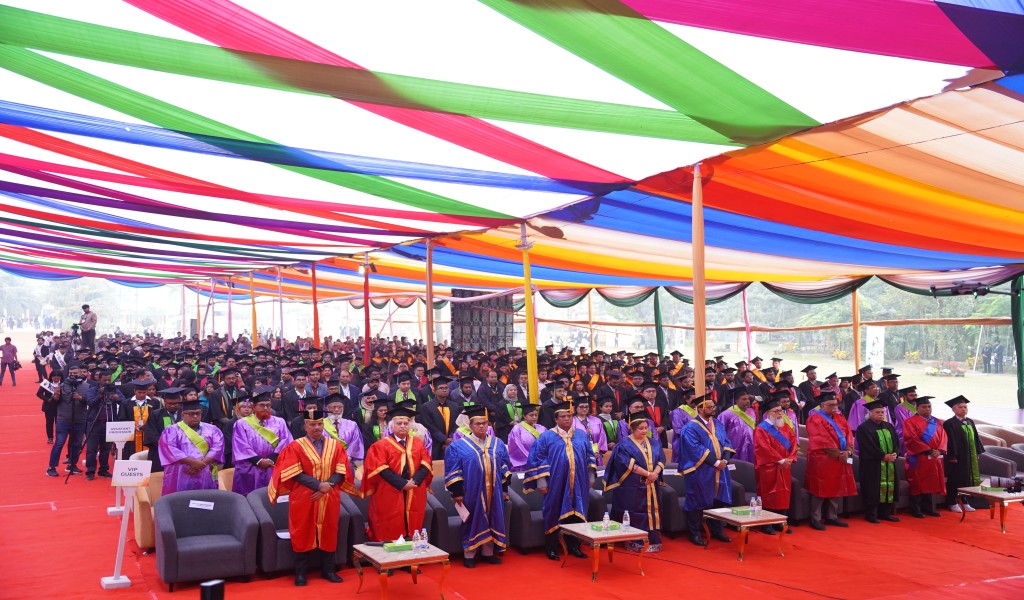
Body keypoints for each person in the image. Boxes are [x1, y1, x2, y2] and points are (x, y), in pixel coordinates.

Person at [269, 407, 353, 586]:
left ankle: (329, 570)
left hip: (329, 495)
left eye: (319, 424)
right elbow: (294, 473)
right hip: (304, 495)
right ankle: (300, 573)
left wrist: (327, 486)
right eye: (313, 424)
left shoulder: (335, 445)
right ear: (305, 426)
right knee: (302, 531)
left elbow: (341, 470)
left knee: (329, 530)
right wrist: (318, 485)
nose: (317, 428)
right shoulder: (295, 446)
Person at [524, 399, 594, 561]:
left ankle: (574, 546)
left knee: (576, 513)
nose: (566, 419)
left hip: (579, 482)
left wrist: (591, 477)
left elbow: (589, 455)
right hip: (555, 483)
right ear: (556, 419)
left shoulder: (581, 435)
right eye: (562, 416)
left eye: (569, 416)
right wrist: (542, 482)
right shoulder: (546, 437)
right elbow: (537, 459)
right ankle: (551, 548)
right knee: (553, 512)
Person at [444, 403, 512, 568]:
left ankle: (488, 553)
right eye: (477, 424)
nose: (482, 426)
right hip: (471, 492)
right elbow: (453, 470)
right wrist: (457, 493)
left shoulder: (497, 443)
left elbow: (504, 467)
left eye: (484, 423)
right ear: (470, 425)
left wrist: (504, 490)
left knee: (493, 519)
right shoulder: (458, 446)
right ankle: (469, 554)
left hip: (495, 491)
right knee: (472, 521)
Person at [361, 402, 433, 541]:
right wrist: (402, 484)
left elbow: (426, 463)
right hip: (390, 489)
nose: (403, 426)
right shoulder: (381, 445)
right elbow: (381, 468)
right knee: (391, 521)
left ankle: (411, 543)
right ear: (392, 426)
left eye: (406, 423)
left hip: (414, 489)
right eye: (399, 423)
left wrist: (414, 481)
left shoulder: (417, 442)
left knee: (413, 520)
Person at [604, 413, 666, 552]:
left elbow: (661, 460)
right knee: (635, 512)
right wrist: (648, 474)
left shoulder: (654, 442)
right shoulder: (624, 445)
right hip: (632, 486)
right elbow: (628, 464)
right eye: (640, 428)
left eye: (645, 428)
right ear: (632, 428)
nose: (644, 431)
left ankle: (653, 539)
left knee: (652, 512)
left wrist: (655, 474)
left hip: (651, 484)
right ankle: (633, 540)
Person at [679, 394, 734, 547]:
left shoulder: (718, 423)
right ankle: (694, 533)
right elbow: (695, 449)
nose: (713, 409)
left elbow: (727, 443)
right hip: (700, 470)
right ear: (699, 409)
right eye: (709, 407)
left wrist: (725, 460)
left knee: (719, 500)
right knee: (697, 501)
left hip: (720, 470)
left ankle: (717, 530)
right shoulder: (690, 428)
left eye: (713, 406)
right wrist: (716, 462)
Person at [803, 391, 856, 530]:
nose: (834, 407)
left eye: (836, 404)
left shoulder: (840, 417)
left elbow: (849, 435)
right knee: (819, 489)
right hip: (822, 459)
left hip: (840, 458)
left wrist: (848, 451)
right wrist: (839, 454)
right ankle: (815, 519)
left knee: (836, 486)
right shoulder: (814, 419)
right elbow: (822, 440)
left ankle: (832, 517)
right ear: (822, 406)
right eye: (830, 405)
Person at [231, 391, 293, 496]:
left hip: (273, 465)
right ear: (254, 407)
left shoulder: (280, 422)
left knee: (274, 497)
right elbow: (241, 445)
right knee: (250, 496)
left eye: (268, 405)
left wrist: (271, 459)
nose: (265, 408)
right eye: (262, 405)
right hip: (251, 467)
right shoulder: (241, 424)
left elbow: (286, 441)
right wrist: (258, 461)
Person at [158, 400, 224, 495]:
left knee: (205, 499)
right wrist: (193, 463)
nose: (195, 416)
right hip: (181, 473)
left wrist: (201, 464)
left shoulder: (212, 429)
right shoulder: (171, 430)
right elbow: (169, 449)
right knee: (180, 500)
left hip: (205, 471)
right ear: (182, 414)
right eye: (191, 414)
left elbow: (218, 448)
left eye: (198, 413)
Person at [753, 396, 797, 534]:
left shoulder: (785, 427)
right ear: (768, 413)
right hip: (769, 467)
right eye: (776, 411)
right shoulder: (761, 429)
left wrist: (790, 458)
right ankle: (766, 524)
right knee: (768, 495)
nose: (779, 413)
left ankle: (780, 522)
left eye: (780, 411)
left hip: (785, 467)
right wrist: (781, 460)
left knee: (783, 494)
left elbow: (794, 443)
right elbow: (763, 448)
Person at [855, 399, 901, 523]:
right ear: (870, 413)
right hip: (872, 464)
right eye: (877, 412)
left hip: (889, 463)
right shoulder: (863, 428)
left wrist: (895, 453)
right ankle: (871, 514)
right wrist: (882, 456)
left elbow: (896, 442)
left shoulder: (889, 426)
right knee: (872, 488)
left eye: (882, 412)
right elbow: (867, 446)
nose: (880, 414)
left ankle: (885, 513)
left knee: (889, 486)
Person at [901, 396, 945, 518]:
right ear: (917, 408)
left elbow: (943, 437)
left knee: (931, 482)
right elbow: (911, 439)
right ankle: (915, 509)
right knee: (918, 483)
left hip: (934, 458)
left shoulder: (936, 421)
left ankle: (929, 508)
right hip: (919, 457)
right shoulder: (910, 422)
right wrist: (929, 450)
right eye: (924, 407)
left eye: (929, 406)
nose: (927, 409)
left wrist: (940, 450)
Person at [942, 395, 986, 513]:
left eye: (965, 407)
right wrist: (951, 456)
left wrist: (976, 453)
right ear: (953, 409)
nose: (963, 409)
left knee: (967, 479)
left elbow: (975, 438)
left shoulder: (969, 421)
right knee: (955, 479)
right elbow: (948, 441)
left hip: (969, 457)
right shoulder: (949, 423)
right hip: (957, 457)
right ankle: (952, 502)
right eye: (960, 407)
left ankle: (964, 500)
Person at [46, 362, 90, 477]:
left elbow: (91, 401)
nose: (73, 375)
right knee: (59, 443)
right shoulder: (61, 386)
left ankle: (72, 465)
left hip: (80, 420)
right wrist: (56, 396)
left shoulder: (87, 387)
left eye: (75, 373)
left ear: (81, 374)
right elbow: (53, 403)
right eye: (71, 373)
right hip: (63, 419)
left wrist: (81, 398)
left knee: (77, 444)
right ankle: (51, 467)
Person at [83, 383, 123, 480]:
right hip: (94, 423)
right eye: (105, 380)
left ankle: (103, 470)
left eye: (109, 379)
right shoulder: (92, 390)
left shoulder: (113, 389)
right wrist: (99, 396)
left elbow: (124, 400)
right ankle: (90, 471)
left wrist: (117, 398)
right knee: (91, 449)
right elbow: (90, 402)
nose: (107, 382)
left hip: (109, 423)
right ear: (99, 380)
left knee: (106, 449)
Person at [419, 375, 462, 460]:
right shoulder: (427, 406)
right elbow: (429, 425)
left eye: (446, 388)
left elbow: (457, 423)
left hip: (452, 442)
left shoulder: (454, 406)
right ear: (434, 391)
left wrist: (451, 437)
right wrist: (444, 439)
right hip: (435, 442)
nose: (444, 390)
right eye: (441, 388)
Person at [719, 387, 756, 463]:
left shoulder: (751, 412)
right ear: (736, 400)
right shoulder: (726, 414)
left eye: (748, 399)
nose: (747, 401)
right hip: (734, 448)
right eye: (744, 399)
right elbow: (720, 433)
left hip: (750, 447)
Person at [508, 402, 545, 472]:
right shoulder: (517, 429)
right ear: (524, 416)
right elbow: (517, 447)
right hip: (525, 464)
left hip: (542, 462)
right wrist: (531, 460)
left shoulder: (542, 428)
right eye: (531, 415)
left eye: (536, 415)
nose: (534, 417)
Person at [572, 396, 608, 467]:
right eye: (581, 407)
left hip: (596, 454)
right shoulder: (572, 422)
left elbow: (602, 437)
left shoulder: (596, 420)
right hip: (580, 456)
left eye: (587, 407)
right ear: (576, 408)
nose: (584, 409)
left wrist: (597, 451)